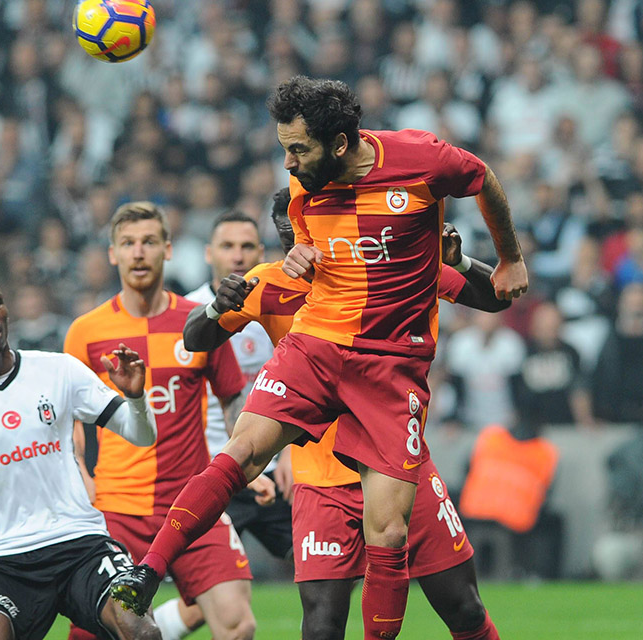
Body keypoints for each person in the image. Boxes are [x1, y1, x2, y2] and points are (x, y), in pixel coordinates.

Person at [109, 75, 528, 640]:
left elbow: (488, 279)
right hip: (319, 385)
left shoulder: (416, 173)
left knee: (449, 594)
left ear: (337, 144)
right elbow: (196, 336)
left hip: (389, 375)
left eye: (298, 149)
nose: (288, 162)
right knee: (317, 611)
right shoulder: (273, 270)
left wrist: (501, 259)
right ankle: (145, 571)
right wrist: (216, 306)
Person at [183, 190, 507, 639]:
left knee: (464, 607)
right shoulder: (268, 284)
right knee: (322, 626)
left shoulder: (390, 269)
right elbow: (194, 340)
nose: (299, 241)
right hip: (321, 479)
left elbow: (497, 297)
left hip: (400, 466)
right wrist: (218, 305)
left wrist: (460, 260)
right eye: (287, 235)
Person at [65, 202, 271, 640]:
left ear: (168, 250)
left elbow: (234, 399)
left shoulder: (199, 324)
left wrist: (254, 461)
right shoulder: (86, 331)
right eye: (128, 243)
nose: (139, 252)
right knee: (98, 631)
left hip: (192, 504)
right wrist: (80, 475)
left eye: (149, 242)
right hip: (118, 508)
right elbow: (68, 420)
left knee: (238, 625)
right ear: (112, 254)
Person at [0, 274, 161, 640]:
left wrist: (137, 398)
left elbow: (142, 436)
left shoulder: (57, 370)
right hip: (4, 558)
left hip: (81, 544)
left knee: (139, 628)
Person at [156, 210, 289, 640]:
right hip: (213, 474)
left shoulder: (277, 302)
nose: (238, 255)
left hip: (269, 466)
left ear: (261, 253)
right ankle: (142, 626)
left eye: (248, 246)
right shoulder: (191, 315)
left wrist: (287, 453)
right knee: (218, 600)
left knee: (325, 563)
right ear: (209, 253)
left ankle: (147, 625)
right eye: (228, 246)